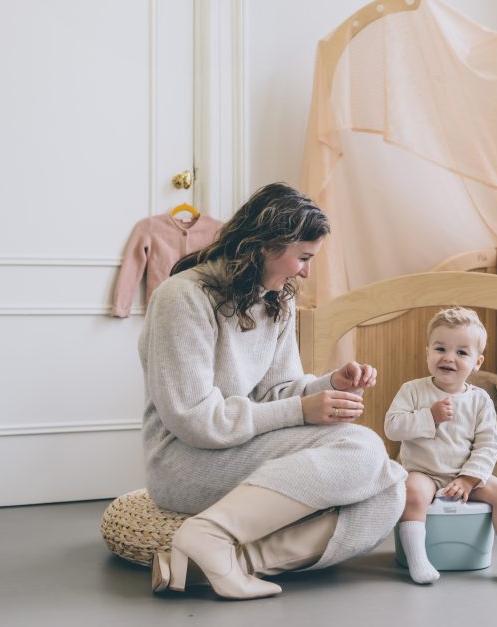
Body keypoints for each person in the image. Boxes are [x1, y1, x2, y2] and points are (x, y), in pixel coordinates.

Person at [140, 182, 406, 600]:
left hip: (243, 444)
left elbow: (276, 391)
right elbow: (195, 420)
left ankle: (210, 564)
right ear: (266, 246)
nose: (305, 272)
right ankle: (211, 533)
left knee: (389, 488)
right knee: (364, 449)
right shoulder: (182, 297)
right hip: (184, 459)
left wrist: (327, 385)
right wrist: (302, 410)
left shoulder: (276, 299)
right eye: (303, 258)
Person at [383, 306, 497, 584]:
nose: (449, 358)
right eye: (440, 349)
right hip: (423, 471)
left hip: (464, 474)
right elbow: (392, 427)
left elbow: (489, 444)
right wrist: (429, 416)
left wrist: (468, 479)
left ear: (477, 362)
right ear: (427, 351)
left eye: (462, 353)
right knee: (412, 494)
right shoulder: (413, 390)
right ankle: (418, 559)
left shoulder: (480, 400)